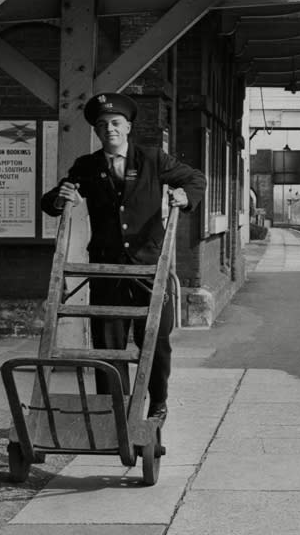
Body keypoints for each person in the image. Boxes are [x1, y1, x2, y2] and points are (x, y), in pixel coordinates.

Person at [41, 92, 206, 421]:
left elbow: (195, 178)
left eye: (115, 123)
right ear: (97, 132)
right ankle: (112, 410)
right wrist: (62, 198)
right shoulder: (86, 167)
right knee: (108, 343)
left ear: (127, 127)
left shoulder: (152, 159)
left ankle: (157, 403)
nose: (109, 130)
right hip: (106, 268)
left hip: (148, 267)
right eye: (102, 126)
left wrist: (184, 195)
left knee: (155, 339)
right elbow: (51, 202)